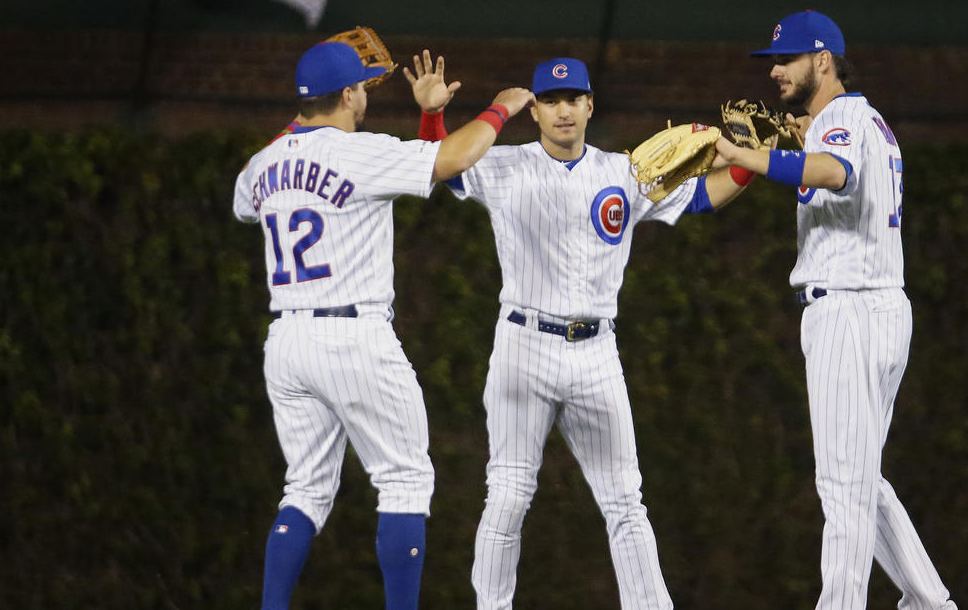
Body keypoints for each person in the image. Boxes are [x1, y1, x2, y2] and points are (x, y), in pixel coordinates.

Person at [408, 54, 759, 609]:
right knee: (508, 495)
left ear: (590, 105)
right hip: (524, 343)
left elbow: (699, 198)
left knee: (625, 502)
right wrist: (432, 119)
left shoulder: (626, 171)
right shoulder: (504, 165)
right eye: (550, 100)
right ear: (535, 112)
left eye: (573, 99)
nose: (563, 110)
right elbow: (441, 165)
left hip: (597, 352)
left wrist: (748, 161)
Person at [232, 39, 533, 610]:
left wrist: (422, 114)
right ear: (346, 96)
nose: (367, 95)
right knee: (405, 482)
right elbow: (450, 161)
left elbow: (245, 201)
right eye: (364, 88)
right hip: (353, 336)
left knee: (306, 489)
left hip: (287, 342)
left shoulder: (263, 165)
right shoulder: (359, 152)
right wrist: (499, 108)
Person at [712, 10, 960, 610]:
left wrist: (745, 157)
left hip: (849, 310)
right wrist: (793, 140)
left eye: (786, 59)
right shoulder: (853, 119)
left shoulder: (845, 118)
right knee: (860, 478)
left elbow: (835, 172)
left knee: (843, 485)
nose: (775, 71)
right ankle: (931, 602)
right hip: (876, 307)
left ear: (822, 60)